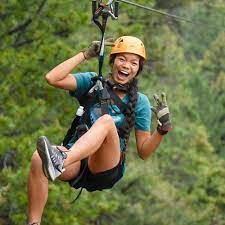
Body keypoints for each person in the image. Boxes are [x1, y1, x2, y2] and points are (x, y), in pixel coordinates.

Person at [27, 36, 172, 225]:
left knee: (105, 122)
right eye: (122, 59)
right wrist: (85, 55)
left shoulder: (141, 102)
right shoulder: (92, 83)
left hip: (105, 167)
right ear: (112, 61)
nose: (126, 65)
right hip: (77, 161)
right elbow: (52, 78)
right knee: (38, 158)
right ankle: (33, 223)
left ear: (138, 70)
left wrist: (161, 130)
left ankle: (60, 161)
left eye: (133, 62)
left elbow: (144, 152)